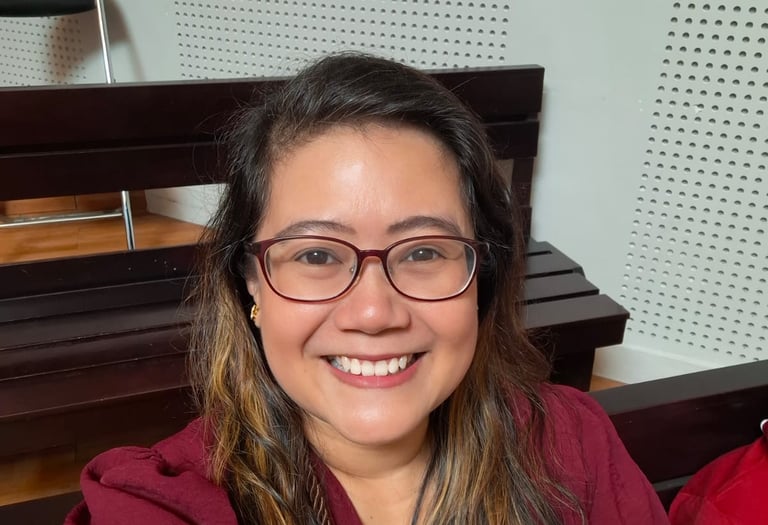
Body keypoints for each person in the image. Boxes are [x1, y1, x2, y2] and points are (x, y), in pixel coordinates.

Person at [65, 52, 668, 524]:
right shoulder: (163, 502)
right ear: (250, 283)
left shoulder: (570, 444)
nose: (375, 312)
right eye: (318, 254)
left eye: (425, 251)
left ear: (481, 277)